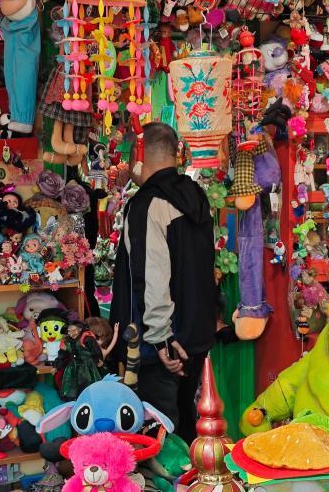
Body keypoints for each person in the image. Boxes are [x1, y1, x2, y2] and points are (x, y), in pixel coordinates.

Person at [111, 122, 217, 443]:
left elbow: (151, 274)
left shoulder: (147, 204)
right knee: (186, 433)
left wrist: (160, 340)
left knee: (159, 441)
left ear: (139, 156)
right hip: (194, 339)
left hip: (161, 349)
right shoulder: (195, 196)